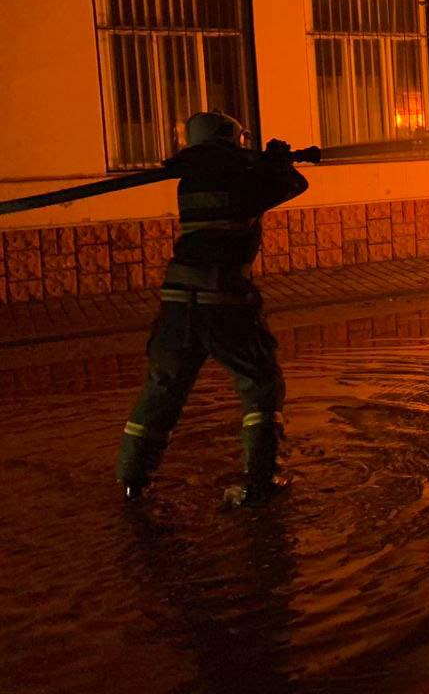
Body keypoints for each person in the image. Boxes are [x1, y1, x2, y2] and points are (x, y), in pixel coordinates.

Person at [115, 112, 313, 506]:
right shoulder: (241, 178)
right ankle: (262, 477)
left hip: (177, 302)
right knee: (260, 383)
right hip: (224, 300)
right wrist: (276, 160)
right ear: (232, 141)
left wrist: (263, 164)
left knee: (163, 390)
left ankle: (133, 481)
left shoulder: (191, 180)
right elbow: (293, 184)